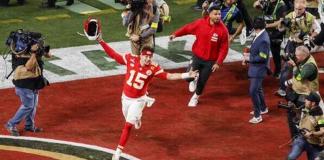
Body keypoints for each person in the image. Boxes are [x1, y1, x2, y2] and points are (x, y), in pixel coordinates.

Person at [96, 35, 198, 160]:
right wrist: (101, 40)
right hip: (125, 98)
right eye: (146, 56)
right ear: (141, 55)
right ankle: (138, 116)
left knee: (128, 125)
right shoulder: (130, 59)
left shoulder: (153, 68)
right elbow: (113, 55)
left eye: (150, 56)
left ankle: (117, 152)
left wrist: (187, 74)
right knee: (128, 118)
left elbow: (169, 76)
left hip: (138, 100)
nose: (148, 58)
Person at [169, 5, 229, 107]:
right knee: (188, 78)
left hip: (210, 61)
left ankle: (196, 97)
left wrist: (218, 62)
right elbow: (187, 28)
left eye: (219, 14)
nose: (218, 16)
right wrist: (175, 34)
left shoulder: (223, 30)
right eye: (215, 14)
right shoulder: (200, 23)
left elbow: (224, 48)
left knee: (202, 81)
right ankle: (193, 79)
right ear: (209, 14)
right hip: (197, 57)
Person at [5, 36, 52, 136]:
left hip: (33, 83)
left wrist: (44, 50)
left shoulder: (32, 52)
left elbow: (49, 56)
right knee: (28, 106)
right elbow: (29, 66)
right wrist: (34, 53)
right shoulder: (20, 55)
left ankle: (29, 126)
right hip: (24, 84)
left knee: (33, 106)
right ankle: (11, 124)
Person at [276, 0, 320, 97]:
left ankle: (301, 88)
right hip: (292, 43)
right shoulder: (289, 16)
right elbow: (280, 29)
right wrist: (281, 23)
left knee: (302, 67)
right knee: (287, 66)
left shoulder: (310, 17)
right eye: (296, 9)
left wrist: (311, 36)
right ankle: (283, 89)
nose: (298, 11)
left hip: (304, 45)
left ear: (305, 8)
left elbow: (318, 29)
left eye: (300, 9)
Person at [284, 45, 323, 138]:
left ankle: (312, 139)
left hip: (307, 96)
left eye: (297, 55)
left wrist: (294, 65)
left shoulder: (309, 66)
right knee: (291, 115)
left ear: (303, 56)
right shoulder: (303, 60)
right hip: (298, 93)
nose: (295, 57)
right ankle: (295, 137)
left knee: (306, 119)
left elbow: (300, 77)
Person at [243, 17, 271, 124]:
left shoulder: (263, 39)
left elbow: (262, 57)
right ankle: (263, 108)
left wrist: (248, 58)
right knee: (258, 89)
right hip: (256, 68)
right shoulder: (261, 34)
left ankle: (257, 115)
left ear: (255, 27)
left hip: (259, 69)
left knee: (253, 91)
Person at [254, 0, 288, 78]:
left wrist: (266, 25)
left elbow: (280, 22)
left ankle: (278, 70)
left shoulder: (281, 5)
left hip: (277, 32)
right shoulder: (267, 2)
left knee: (275, 52)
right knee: (261, 49)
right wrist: (260, 1)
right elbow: (255, 5)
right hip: (266, 30)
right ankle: (266, 67)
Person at [287, 91, 324, 160]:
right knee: (291, 157)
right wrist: (293, 108)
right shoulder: (306, 107)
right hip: (302, 139)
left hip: (314, 144)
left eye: (307, 100)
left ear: (313, 103)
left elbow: (322, 131)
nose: (305, 101)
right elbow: (299, 113)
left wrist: (311, 134)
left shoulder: (320, 117)